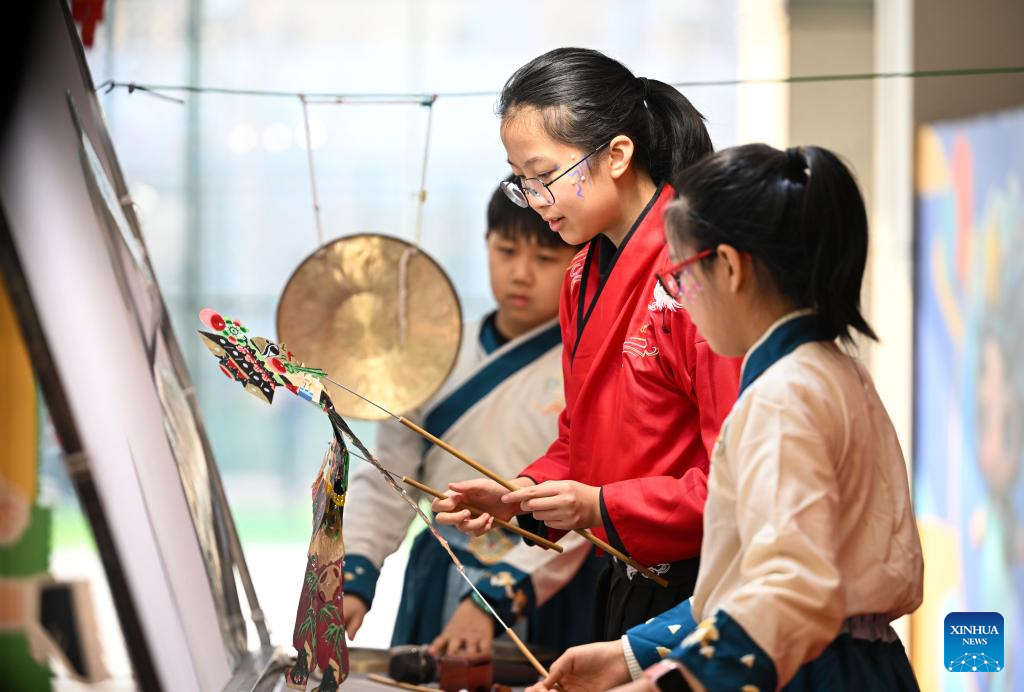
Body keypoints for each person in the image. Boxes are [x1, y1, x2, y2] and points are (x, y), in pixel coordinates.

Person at [527, 144, 925, 692]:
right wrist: (631, 655)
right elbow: (750, 581)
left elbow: (788, 589)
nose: (679, 298)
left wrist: (665, 683)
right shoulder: (835, 372)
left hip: (806, 670)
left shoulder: (783, 394)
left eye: (680, 278)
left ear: (731, 269)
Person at [432, 47, 741, 639]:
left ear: (618, 155)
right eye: (521, 182)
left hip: (702, 585)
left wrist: (600, 506)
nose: (535, 200)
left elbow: (735, 479)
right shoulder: (579, 276)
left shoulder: (696, 276)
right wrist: (521, 496)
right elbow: (581, 438)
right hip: (623, 573)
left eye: (545, 176)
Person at [342, 180, 604, 656]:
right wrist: (357, 570)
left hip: (549, 580)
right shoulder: (431, 356)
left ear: (578, 261)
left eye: (545, 258)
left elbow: (587, 500)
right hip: (442, 568)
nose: (521, 274)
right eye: (507, 251)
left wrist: (493, 600)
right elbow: (389, 476)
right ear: (486, 243)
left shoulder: (589, 365)